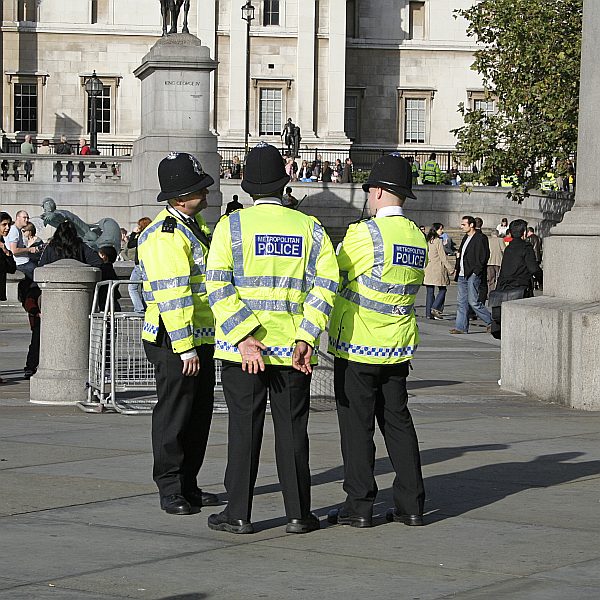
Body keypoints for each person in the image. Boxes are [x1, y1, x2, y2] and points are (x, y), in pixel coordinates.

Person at [206, 142, 339, 535]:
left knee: (243, 430)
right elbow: (326, 284)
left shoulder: (230, 227)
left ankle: (239, 513)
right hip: (294, 349)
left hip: (244, 350)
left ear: (247, 187)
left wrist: (244, 335)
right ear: (285, 183)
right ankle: (299, 513)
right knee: (293, 431)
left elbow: (217, 284)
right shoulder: (309, 227)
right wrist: (307, 335)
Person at [327, 153, 426, 529]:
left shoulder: (363, 234)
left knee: (357, 427)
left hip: (358, 343)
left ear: (380, 191)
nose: (368, 196)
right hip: (398, 345)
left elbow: (335, 275)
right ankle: (412, 504)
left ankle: (360, 503)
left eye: (370, 190)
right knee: (398, 422)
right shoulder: (416, 236)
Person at [138, 151, 218, 516]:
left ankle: (189, 484)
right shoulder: (164, 235)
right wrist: (186, 348)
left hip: (199, 337)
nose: (206, 194)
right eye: (199, 189)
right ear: (180, 196)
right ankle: (170, 486)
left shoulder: (191, 227)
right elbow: (174, 295)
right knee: (174, 414)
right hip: (175, 339)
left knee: (198, 414)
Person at [489, 219, 543, 339]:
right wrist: (542, 280)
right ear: (524, 232)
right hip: (521, 288)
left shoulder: (509, 248)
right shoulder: (526, 247)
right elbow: (533, 268)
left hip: (505, 287)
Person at [449, 215, 493, 334]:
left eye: (464, 224)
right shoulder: (465, 237)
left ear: (471, 225)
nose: (461, 226)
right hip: (463, 274)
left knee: (473, 301)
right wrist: (457, 269)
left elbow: (484, 255)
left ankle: (491, 322)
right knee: (461, 302)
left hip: (472, 273)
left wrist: (476, 271)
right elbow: (461, 255)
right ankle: (461, 327)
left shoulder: (480, 238)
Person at [38, 220, 103, 268]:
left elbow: (41, 267)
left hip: (53, 283)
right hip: (78, 283)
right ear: (74, 233)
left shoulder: (50, 248)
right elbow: (98, 263)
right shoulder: (82, 246)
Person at [424, 223, 454, 319]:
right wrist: (450, 269)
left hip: (428, 268)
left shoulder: (427, 240)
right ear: (436, 230)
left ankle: (428, 314)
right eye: (440, 229)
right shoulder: (438, 241)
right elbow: (443, 257)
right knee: (443, 289)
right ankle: (435, 307)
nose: (442, 231)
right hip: (437, 268)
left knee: (430, 291)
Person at [127, 217, 152, 313]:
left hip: (140, 266)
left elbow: (130, 244)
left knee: (132, 288)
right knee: (144, 289)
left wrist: (134, 233)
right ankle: (146, 308)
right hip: (148, 265)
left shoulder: (143, 236)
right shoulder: (151, 236)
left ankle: (139, 309)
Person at [6, 210, 39, 279]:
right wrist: (29, 249)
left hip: (23, 262)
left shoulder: (18, 230)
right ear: (18, 218)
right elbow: (13, 250)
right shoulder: (14, 230)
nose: (26, 220)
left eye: (27, 218)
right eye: (24, 217)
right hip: (21, 264)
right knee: (40, 276)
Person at [0, 211, 17, 303]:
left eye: (9, 225)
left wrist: (6, 252)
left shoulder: (3, 244)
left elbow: (12, 269)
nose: (7, 228)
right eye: (4, 224)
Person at [487, 230, 506, 294]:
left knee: (491, 279)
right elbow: (504, 249)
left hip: (489, 261)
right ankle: (498, 292)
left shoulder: (488, 240)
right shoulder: (500, 240)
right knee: (499, 278)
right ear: (497, 234)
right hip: (499, 261)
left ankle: (491, 292)